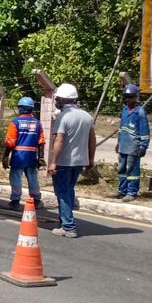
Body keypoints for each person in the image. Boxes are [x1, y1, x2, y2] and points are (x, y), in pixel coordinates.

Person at [47, 83, 95, 238]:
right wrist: (91, 159)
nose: (57, 101)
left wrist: (53, 161)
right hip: (80, 161)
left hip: (64, 161)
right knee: (68, 190)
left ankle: (69, 226)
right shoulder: (87, 116)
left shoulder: (62, 117)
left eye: (58, 98)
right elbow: (92, 140)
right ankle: (62, 222)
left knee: (62, 192)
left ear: (62, 99)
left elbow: (59, 140)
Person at [2, 96, 45, 211]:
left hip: (18, 156)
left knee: (15, 177)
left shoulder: (15, 122)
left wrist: (5, 156)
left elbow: (10, 142)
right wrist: (41, 157)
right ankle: (37, 200)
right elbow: (41, 142)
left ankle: (15, 201)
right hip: (31, 156)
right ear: (31, 109)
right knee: (32, 178)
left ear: (20, 108)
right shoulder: (37, 124)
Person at [115, 84, 149, 202]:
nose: (128, 99)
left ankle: (132, 192)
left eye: (130, 97)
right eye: (126, 96)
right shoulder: (124, 110)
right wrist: (118, 142)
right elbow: (121, 127)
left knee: (132, 170)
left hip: (134, 146)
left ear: (136, 97)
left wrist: (143, 146)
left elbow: (145, 130)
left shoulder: (140, 112)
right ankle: (122, 190)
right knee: (122, 169)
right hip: (123, 145)